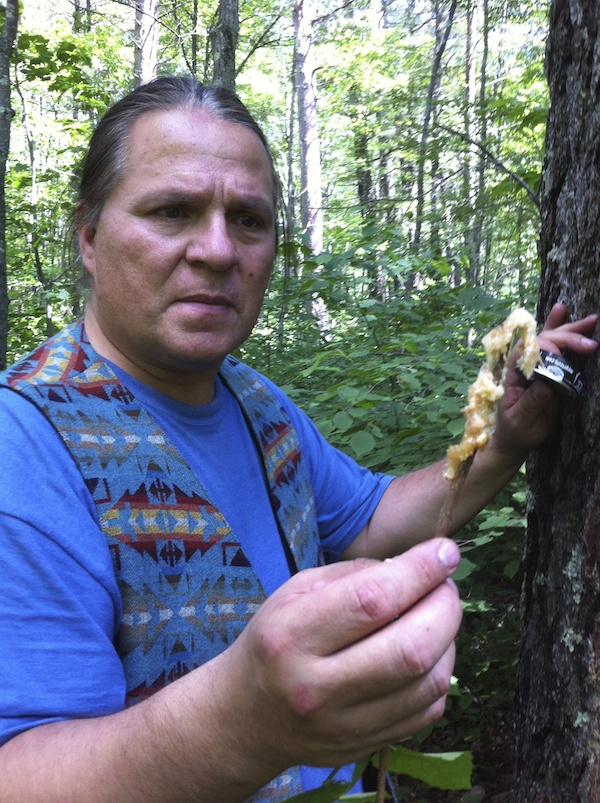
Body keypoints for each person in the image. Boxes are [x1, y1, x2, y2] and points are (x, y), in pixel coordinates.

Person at [0, 75, 596, 803]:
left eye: (248, 220)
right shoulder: (26, 442)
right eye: (172, 210)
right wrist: (241, 726)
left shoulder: (254, 403)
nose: (218, 250)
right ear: (89, 236)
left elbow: (373, 522)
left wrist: (503, 440)